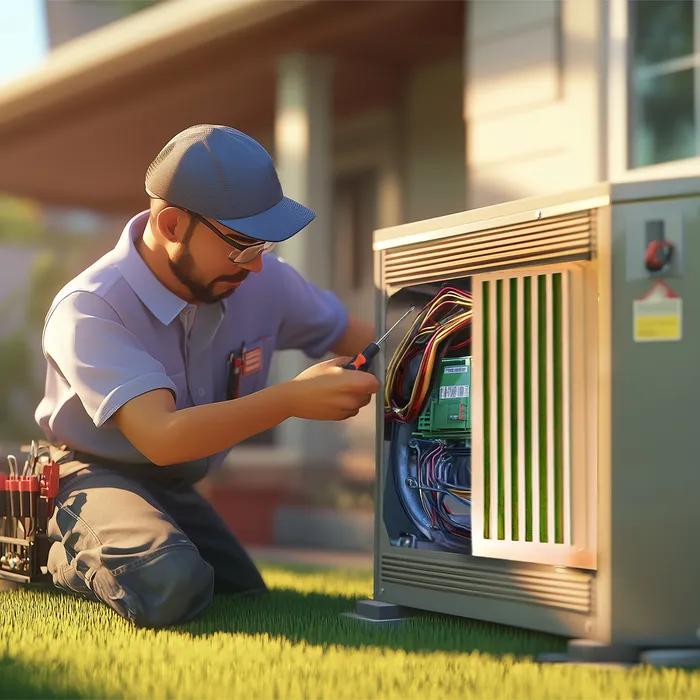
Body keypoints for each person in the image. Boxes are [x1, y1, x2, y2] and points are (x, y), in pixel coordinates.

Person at [33, 124, 379, 628]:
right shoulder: (89, 309)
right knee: (169, 581)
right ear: (173, 225)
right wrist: (290, 400)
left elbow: (357, 333)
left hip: (173, 484)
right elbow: (162, 436)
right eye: (242, 245)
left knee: (240, 591)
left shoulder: (260, 278)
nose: (257, 266)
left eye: (264, 245)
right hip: (89, 472)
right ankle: (52, 549)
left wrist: (451, 329)